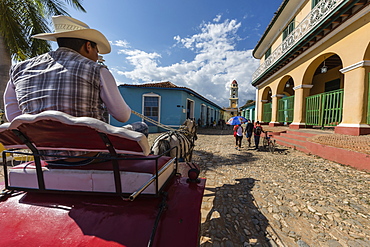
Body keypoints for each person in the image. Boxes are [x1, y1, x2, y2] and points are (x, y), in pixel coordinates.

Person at [3, 15, 147, 162]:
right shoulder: (97, 70)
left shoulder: (19, 69)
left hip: (46, 157)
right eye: (97, 50)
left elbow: (13, 117)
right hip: (90, 157)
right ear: (88, 46)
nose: (97, 56)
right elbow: (122, 116)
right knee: (141, 127)